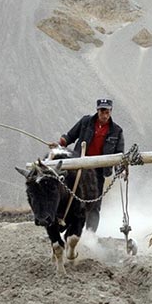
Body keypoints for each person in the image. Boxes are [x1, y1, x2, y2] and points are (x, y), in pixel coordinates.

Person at [57, 98, 125, 233]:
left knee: (94, 204)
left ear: (111, 112)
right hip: (78, 167)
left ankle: (90, 236)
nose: (104, 115)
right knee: (72, 198)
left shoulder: (117, 131)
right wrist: (60, 143)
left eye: (107, 112)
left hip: (98, 171)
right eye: (102, 111)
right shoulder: (85, 122)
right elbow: (70, 136)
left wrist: (120, 169)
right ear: (97, 110)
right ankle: (64, 227)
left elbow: (119, 154)